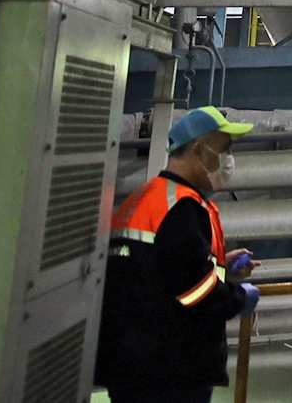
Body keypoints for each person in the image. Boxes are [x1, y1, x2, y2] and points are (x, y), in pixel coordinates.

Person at [94, 105, 261, 403]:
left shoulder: (149, 197)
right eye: (224, 149)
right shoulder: (181, 209)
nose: (228, 159)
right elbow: (195, 294)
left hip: (136, 363)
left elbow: (162, 271)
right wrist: (240, 297)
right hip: (169, 371)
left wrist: (222, 269)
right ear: (199, 151)